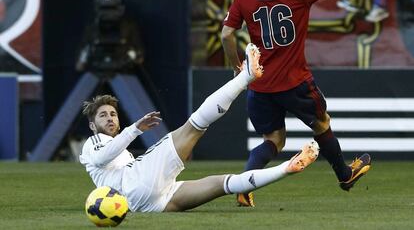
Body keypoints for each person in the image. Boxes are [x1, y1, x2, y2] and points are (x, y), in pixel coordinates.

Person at [221, 0, 371, 208]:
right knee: (322, 124)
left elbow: (227, 33)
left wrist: (237, 66)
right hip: (294, 82)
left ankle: (244, 184)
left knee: (273, 139)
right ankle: (344, 174)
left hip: (260, 85)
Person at [79, 43, 320, 213]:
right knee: (194, 125)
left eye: (112, 114)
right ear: (92, 125)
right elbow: (102, 158)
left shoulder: (121, 151)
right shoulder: (94, 142)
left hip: (148, 204)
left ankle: (286, 169)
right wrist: (134, 129)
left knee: (223, 184)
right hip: (133, 185)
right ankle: (245, 77)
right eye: (103, 116)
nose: (110, 118)